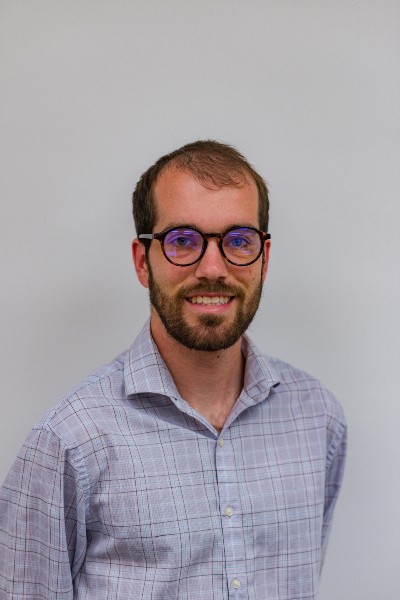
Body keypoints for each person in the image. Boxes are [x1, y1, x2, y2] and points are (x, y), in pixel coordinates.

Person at [0, 140, 346, 599]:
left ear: (264, 258)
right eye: (183, 241)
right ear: (144, 262)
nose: (212, 268)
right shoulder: (70, 441)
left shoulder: (317, 418)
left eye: (238, 241)